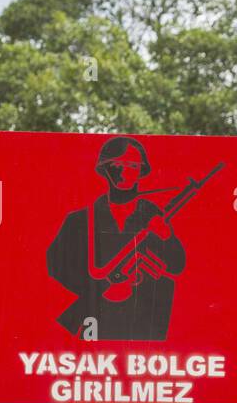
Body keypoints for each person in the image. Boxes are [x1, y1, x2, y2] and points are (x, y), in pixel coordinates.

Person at [48, 136, 186, 340]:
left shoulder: (153, 215)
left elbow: (177, 266)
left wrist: (167, 237)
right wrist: (100, 287)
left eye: (132, 164)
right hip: (96, 317)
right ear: (104, 168)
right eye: (116, 164)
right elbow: (55, 264)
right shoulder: (79, 220)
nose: (124, 170)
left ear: (141, 170)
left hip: (144, 321)